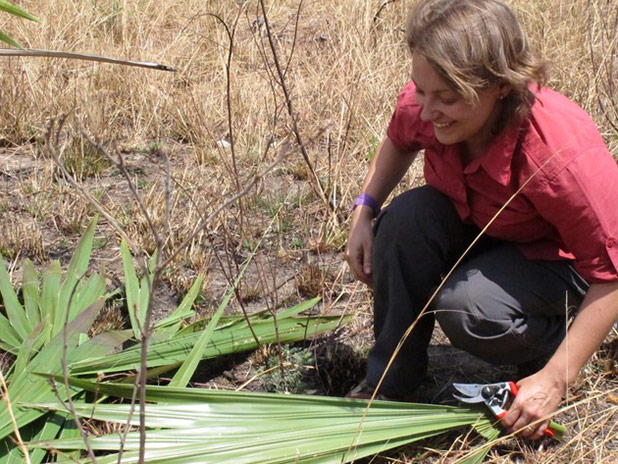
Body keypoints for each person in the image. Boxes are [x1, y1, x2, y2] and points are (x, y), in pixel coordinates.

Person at [345, 0, 618, 440]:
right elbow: (398, 139)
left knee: (469, 309)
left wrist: (556, 379)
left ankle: (562, 341)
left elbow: (614, 271)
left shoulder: (559, 155)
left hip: (560, 264)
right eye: (420, 89)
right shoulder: (431, 99)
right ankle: (387, 387)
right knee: (403, 222)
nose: (427, 110)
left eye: (447, 99)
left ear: (498, 86)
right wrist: (364, 210)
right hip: (486, 227)